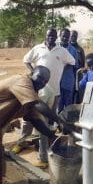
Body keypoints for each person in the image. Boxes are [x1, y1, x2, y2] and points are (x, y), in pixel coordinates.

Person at [0, 66, 70, 184]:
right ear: (31, 73)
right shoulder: (22, 81)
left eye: (45, 81)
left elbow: (33, 119)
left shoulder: (30, 94)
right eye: (39, 78)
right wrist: (60, 121)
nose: (41, 83)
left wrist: (51, 136)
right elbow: (37, 104)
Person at [12, 28, 75, 159]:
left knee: (46, 120)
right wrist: (34, 72)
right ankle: (22, 141)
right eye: (49, 35)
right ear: (45, 36)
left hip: (54, 91)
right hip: (37, 90)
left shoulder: (62, 51)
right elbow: (26, 60)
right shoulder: (38, 48)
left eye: (53, 35)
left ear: (56, 36)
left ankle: (43, 149)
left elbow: (72, 62)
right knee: (28, 117)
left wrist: (61, 72)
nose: (51, 37)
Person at [58, 28, 78, 113]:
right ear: (60, 36)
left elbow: (75, 67)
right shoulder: (55, 48)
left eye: (67, 36)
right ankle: (57, 124)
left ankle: (66, 125)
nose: (65, 38)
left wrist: (74, 83)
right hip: (56, 82)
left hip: (68, 82)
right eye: (63, 36)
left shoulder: (73, 50)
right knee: (57, 104)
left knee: (68, 105)